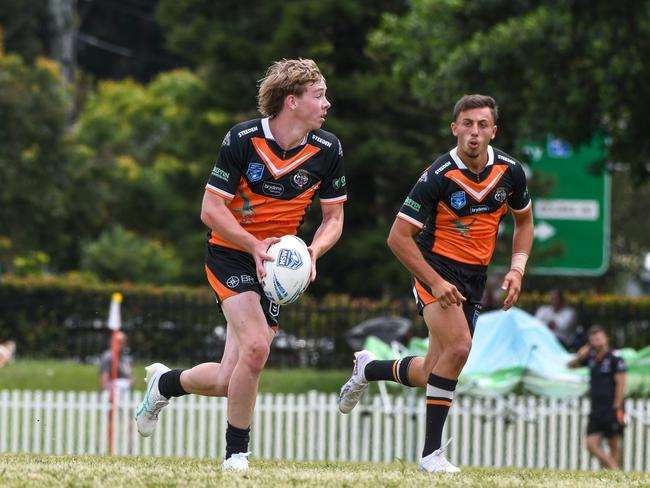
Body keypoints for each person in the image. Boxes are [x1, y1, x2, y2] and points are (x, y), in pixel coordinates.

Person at [134, 58, 346, 472]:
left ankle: (165, 383)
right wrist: (252, 245)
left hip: (277, 263)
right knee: (257, 347)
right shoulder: (243, 139)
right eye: (318, 96)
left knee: (228, 377)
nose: (327, 104)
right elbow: (210, 209)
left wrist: (312, 253)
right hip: (230, 251)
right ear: (292, 102)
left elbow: (334, 219)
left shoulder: (328, 149)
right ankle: (236, 455)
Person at [338, 94, 534, 473]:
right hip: (435, 268)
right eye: (467, 124)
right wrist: (435, 281)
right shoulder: (439, 175)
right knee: (459, 348)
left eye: (482, 125)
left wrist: (517, 269)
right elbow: (398, 237)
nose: (474, 132)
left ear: (494, 131)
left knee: (433, 370)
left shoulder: (510, 172)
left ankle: (368, 368)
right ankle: (431, 455)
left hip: (474, 277)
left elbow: (524, 222)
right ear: (454, 128)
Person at [568, 325, 626, 470]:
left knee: (613, 442)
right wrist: (580, 356)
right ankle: (614, 468)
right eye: (593, 338)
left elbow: (621, 384)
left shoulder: (615, 358)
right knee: (591, 444)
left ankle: (613, 477)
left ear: (606, 338)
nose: (596, 340)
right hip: (596, 407)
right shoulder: (592, 357)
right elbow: (570, 366)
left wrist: (617, 407)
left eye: (599, 337)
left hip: (612, 406)